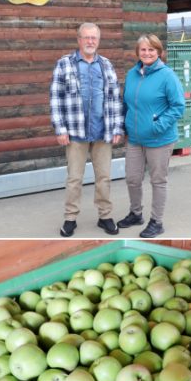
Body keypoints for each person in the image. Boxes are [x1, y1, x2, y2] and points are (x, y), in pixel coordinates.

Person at [49, 22, 124, 237]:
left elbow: (115, 98)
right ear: (79, 40)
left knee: (104, 177)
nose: (90, 41)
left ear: (98, 41)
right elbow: (56, 98)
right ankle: (70, 218)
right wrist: (60, 129)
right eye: (86, 37)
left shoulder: (106, 65)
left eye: (94, 38)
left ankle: (105, 216)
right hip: (75, 131)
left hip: (103, 131)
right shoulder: (65, 64)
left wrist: (117, 127)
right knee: (74, 178)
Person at [117, 33, 186, 238]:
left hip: (159, 139)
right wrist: (124, 124)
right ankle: (135, 213)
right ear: (138, 52)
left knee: (157, 181)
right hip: (135, 138)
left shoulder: (167, 76)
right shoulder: (132, 74)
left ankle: (156, 221)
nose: (147, 53)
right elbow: (126, 103)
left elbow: (178, 106)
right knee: (132, 178)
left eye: (151, 49)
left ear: (159, 52)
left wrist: (158, 126)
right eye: (143, 49)